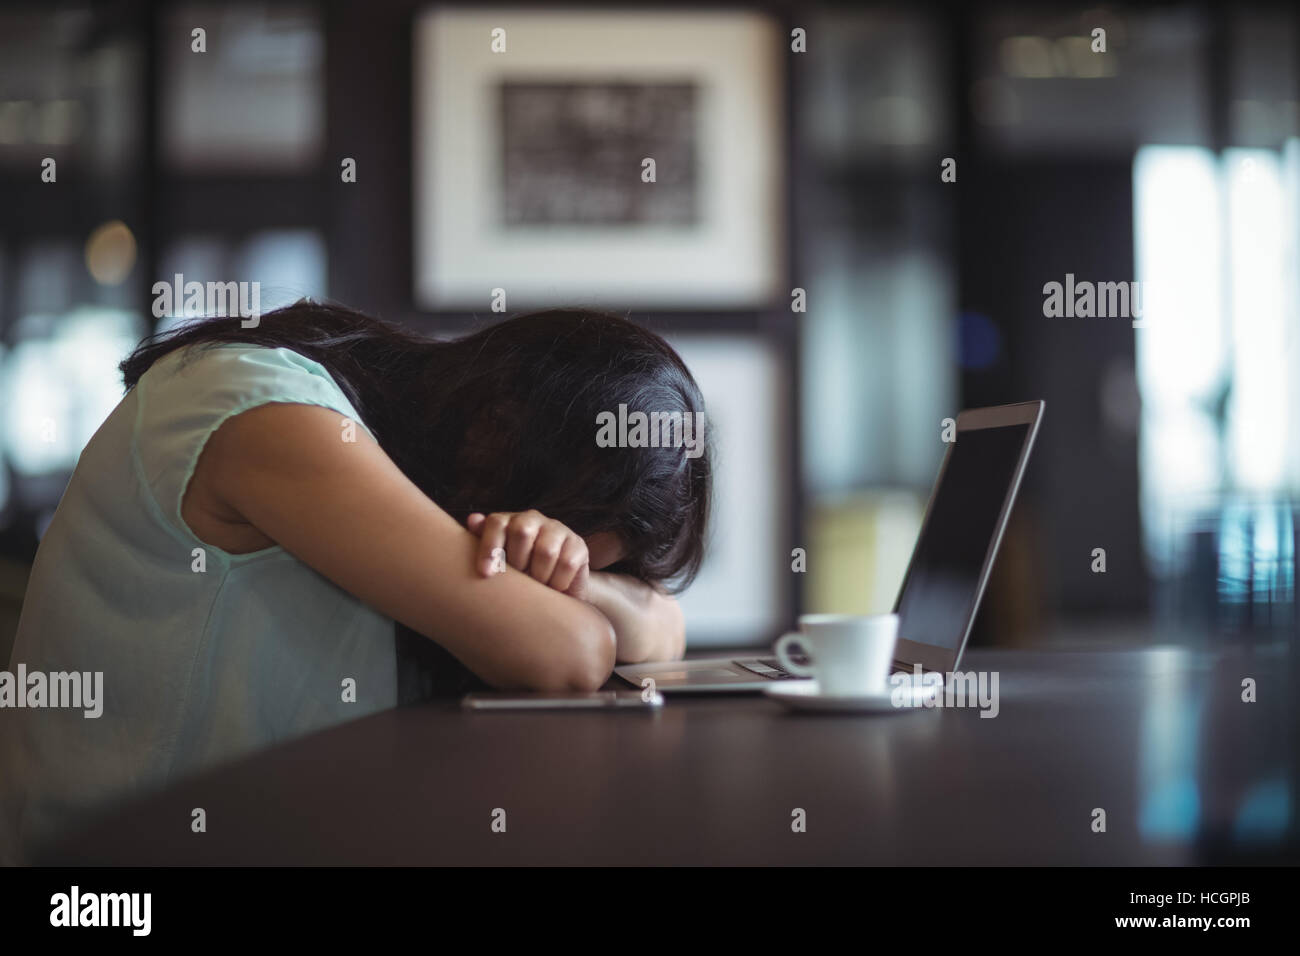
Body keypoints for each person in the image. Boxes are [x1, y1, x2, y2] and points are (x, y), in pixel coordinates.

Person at [0, 301, 711, 862]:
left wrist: (579, 581)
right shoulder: (269, 409)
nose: (541, 576)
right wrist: (560, 604)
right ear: (497, 429)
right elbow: (568, 656)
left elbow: (663, 630)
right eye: (549, 538)